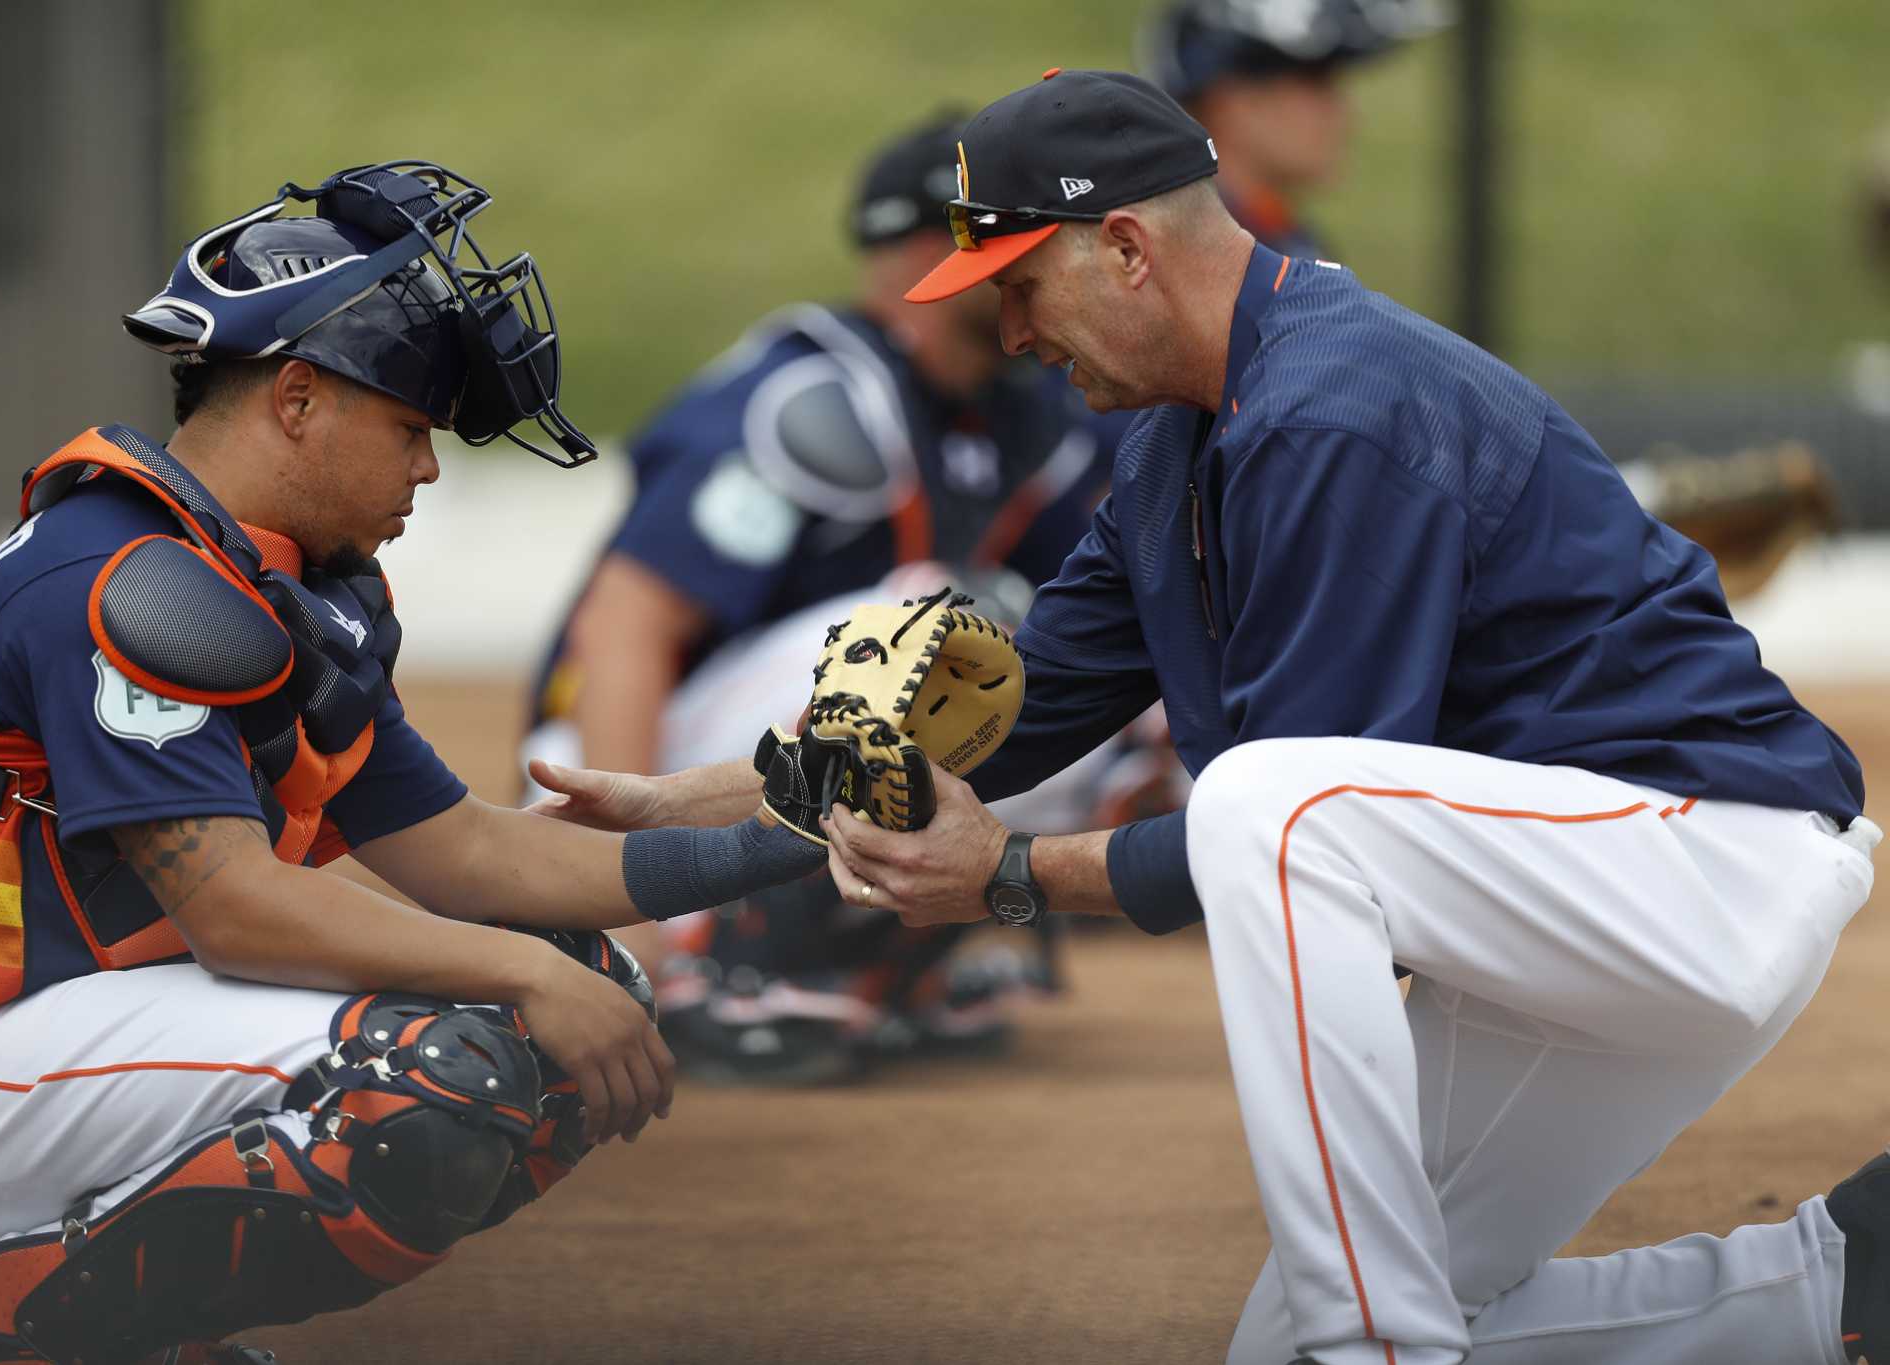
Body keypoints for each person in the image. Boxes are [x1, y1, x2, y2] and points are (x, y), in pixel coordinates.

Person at [563, 73, 1882, 1363]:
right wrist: (676, 811)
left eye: (1019, 286)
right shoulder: (1171, 442)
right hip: (1556, 909)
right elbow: (993, 726)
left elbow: (1285, 827)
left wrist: (1009, 878)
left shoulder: (1331, 413)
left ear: (1126, 248)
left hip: (1700, 860)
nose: (1012, 334)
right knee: (1281, 1339)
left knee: (1266, 800)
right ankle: (1829, 1282)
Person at [0, 160, 831, 1365]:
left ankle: (134, 1328)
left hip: (97, 1035)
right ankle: (3, 1334)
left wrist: (796, 819)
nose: (426, 469)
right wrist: (523, 979)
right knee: (441, 1074)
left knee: (581, 995)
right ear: (298, 398)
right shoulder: (123, 580)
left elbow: (476, 857)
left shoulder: (268, 585)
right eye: (409, 427)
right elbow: (239, 915)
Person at [519, 115, 1130, 1084]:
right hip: (617, 774)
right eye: (1009, 236)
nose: (1046, 260)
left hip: (786, 752)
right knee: (933, 620)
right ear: (935, 246)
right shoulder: (808, 399)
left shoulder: (1023, 406)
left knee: (1064, 667)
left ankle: (867, 953)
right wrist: (640, 907)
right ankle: (723, 958)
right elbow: (623, 628)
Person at [1136, 0, 1443, 260]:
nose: (1346, 115)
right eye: (1317, 84)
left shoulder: (1278, 238)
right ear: (1233, 102)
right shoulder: (1188, 255)